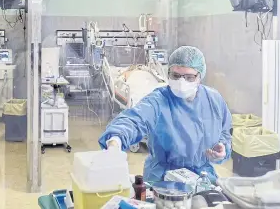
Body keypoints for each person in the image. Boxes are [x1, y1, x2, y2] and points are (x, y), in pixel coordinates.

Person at [99, 46, 232, 183]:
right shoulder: (158, 100)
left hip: (202, 177)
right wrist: (115, 140)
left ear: (200, 76)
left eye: (189, 77)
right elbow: (135, 119)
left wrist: (222, 148)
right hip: (163, 179)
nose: (181, 82)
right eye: (175, 76)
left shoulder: (214, 100)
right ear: (168, 73)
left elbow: (225, 133)